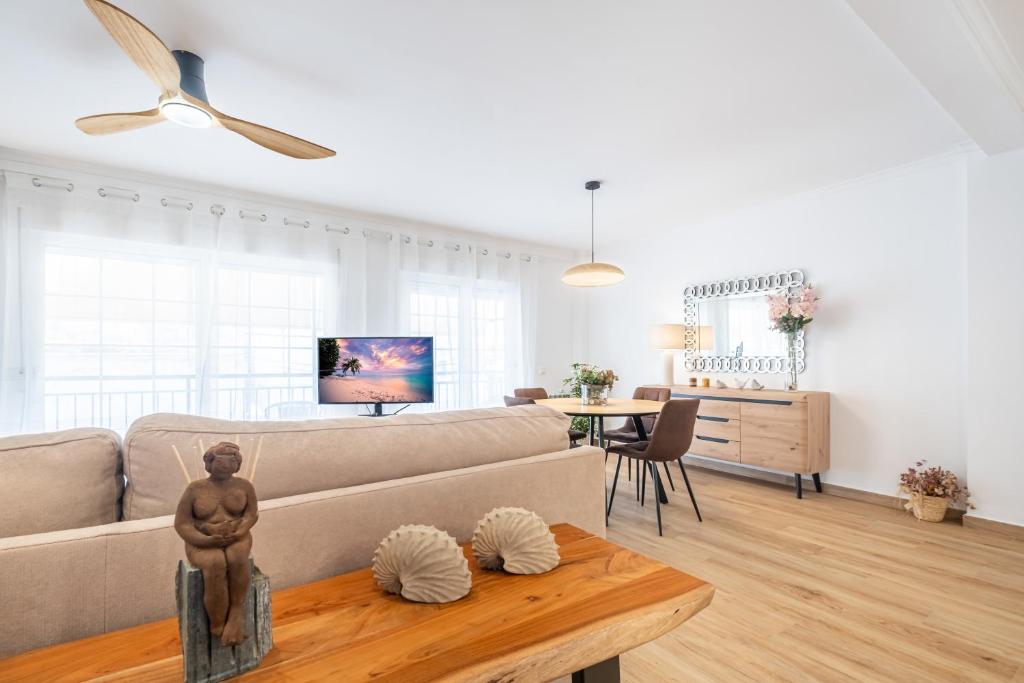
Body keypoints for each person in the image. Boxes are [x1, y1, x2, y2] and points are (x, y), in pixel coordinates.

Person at [173, 442, 259, 646]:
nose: (226, 466)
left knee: (237, 557)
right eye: (220, 462)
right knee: (214, 564)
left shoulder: (244, 486)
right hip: (202, 542)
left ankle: (236, 614)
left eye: (232, 462)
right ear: (209, 464)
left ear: (237, 465)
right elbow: (182, 523)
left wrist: (241, 530)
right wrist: (205, 539)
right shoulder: (195, 489)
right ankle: (217, 624)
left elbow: (251, 514)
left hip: (237, 536)